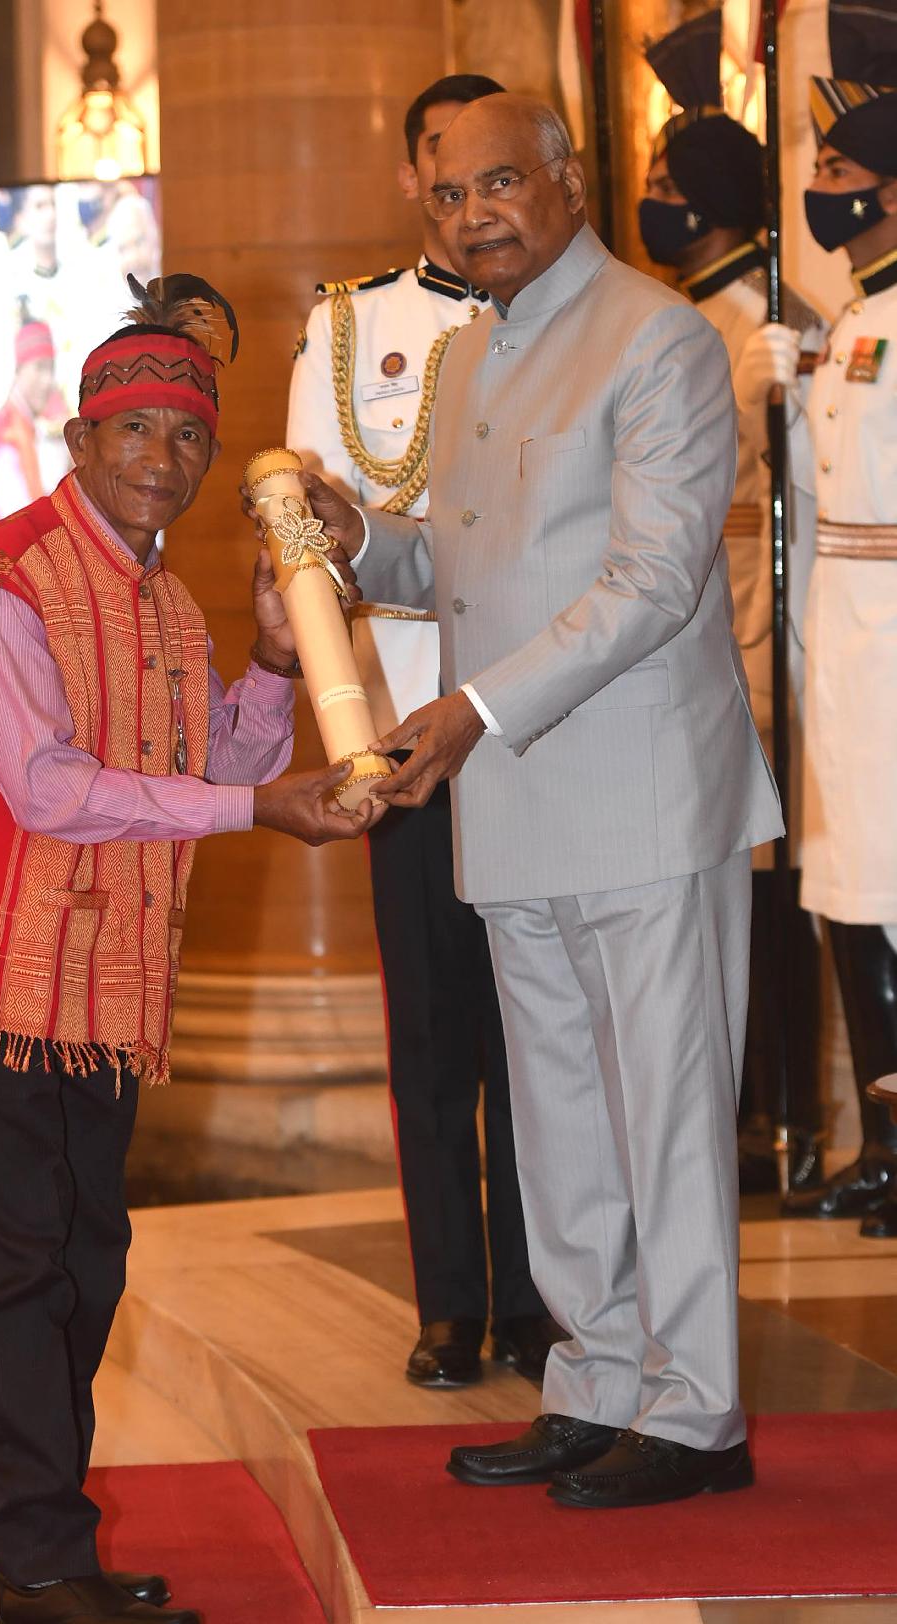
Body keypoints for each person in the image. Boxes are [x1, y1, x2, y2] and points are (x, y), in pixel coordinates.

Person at [0, 276, 381, 1624]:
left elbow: (218, 762)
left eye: (187, 434)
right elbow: (47, 787)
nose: (163, 454)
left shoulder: (165, 602)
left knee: (83, 1262)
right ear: (79, 438)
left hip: (98, 987)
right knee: (18, 1269)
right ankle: (41, 1560)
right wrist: (261, 805)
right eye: (134, 427)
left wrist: (272, 660)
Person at [300, 94, 783, 1506]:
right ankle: (594, 1379)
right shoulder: (467, 354)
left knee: (664, 1111)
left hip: (639, 792)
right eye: (448, 197)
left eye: (501, 183)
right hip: (508, 793)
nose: (474, 217)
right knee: (560, 1111)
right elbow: (465, 562)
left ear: (566, 179)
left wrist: (471, 709)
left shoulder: (657, 337)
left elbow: (652, 582)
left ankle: (695, 1414)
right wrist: (362, 539)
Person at [286, 72, 557, 1390]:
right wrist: (341, 725)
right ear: (414, 179)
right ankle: (452, 1301)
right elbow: (299, 534)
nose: (470, 198)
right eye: (446, 170)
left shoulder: (569, 323)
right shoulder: (349, 330)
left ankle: (543, 1297)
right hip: (406, 737)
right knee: (434, 1038)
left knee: (543, 1033)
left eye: (497, 171)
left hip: (544, 729)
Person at [641, 12, 826, 1192]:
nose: (654, 202)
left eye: (670, 185)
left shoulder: (745, 321)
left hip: (744, 638)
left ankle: (778, 1120)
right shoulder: (690, 318)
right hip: (709, 631)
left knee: (761, 897)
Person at [736, 4, 897, 1235]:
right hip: (837, 644)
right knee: (845, 885)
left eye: (840, 169)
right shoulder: (846, 322)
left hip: (890, 640)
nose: (823, 189)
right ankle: (882, 1141)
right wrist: (778, 399)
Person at [0, 318, 71, 538]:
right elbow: (22, 526)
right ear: (17, 370)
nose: (47, 380)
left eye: (51, 369)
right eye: (39, 368)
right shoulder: (1, 435)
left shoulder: (33, 431)